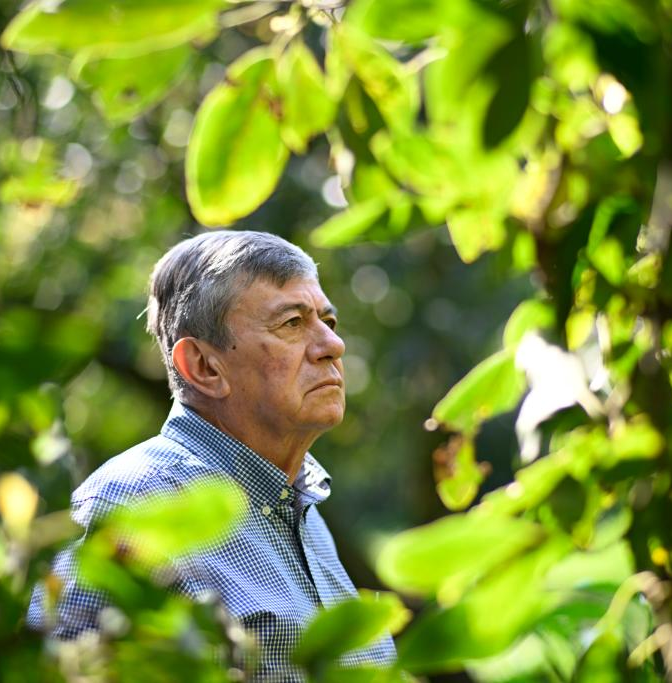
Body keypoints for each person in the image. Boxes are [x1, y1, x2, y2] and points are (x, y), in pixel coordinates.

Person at [27, 230, 397, 679]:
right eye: (292, 324)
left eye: (328, 322)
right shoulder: (133, 503)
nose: (333, 346)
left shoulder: (302, 511)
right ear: (203, 366)